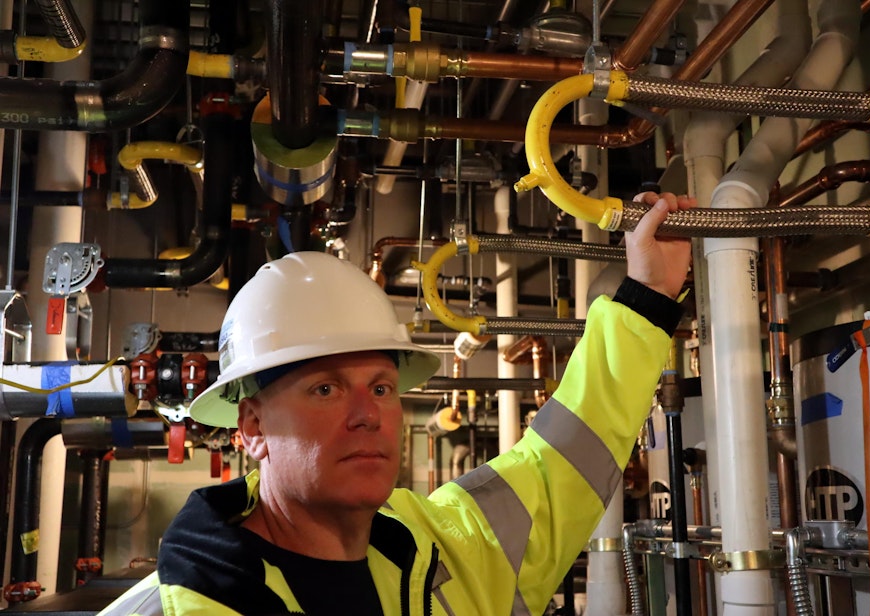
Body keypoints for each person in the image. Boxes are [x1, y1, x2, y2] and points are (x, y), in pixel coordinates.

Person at [100, 191, 695, 615]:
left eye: (381, 388)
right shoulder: (187, 605)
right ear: (251, 426)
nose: (368, 414)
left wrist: (648, 295)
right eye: (325, 389)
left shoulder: (441, 547)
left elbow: (564, 462)